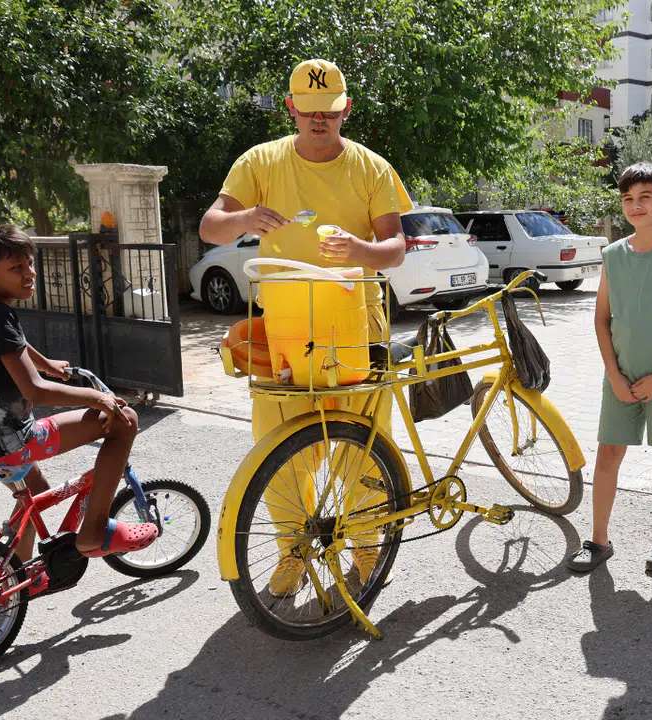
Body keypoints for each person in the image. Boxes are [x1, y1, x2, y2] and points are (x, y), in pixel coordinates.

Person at [199, 58, 411, 597]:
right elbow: (209, 226)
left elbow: (396, 248)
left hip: (356, 327)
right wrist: (245, 220)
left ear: (347, 110)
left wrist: (362, 250)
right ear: (291, 108)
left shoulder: (371, 167)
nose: (321, 121)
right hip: (287, 328)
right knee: (277, 443)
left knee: (360, 444)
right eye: (310, 111)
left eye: (332, 112)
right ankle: (293, 551)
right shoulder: (260, 162)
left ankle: (367, 547)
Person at [0, 224, 154, 591]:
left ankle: (14, 575)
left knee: (36, 491)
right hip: (9, 439)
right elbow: (36, 391)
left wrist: (47, 363)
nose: (30, 274)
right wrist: (98, 398)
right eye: (16, 268)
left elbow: (14, 347)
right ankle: (93, 532)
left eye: (30, 264)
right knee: (123, 421)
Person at [567, 162, 652, 574]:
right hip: (620, 377)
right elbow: (602, 318)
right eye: (628, 199)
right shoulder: (612, 254)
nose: (635, 206)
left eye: (645, 197)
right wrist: (613, 373)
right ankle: (599, 540)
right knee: (608, 455)